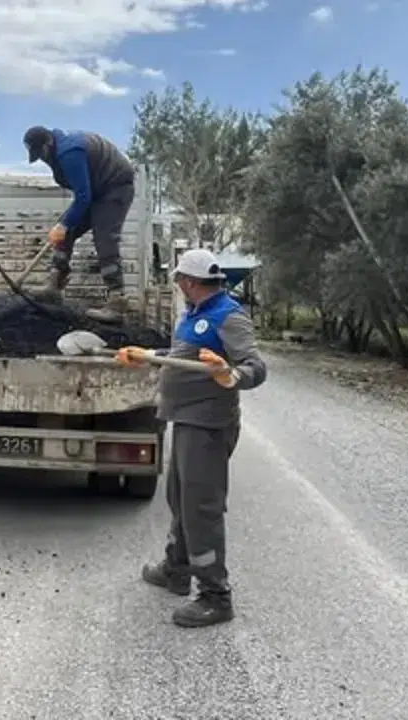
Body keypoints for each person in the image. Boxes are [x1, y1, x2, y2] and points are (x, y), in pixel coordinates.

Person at [114, 248, 267, 628]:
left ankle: (216, 595)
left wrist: (227, 375)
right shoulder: (195, 314)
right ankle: (176, 569)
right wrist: (147, 354)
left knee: (201, 507)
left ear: (190, 281)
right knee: (178, 497)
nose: (179, 284)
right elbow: (181, 355)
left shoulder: (229, 316)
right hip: (185, 420)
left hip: (208, 426)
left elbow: (255, 367)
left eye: (180, 279)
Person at [23, 125, 137, 322]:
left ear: (47, 143)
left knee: (104, 239)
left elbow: (83, 197)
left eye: (40, 153)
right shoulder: (55, 149)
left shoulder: (69, 153)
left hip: (115, 187)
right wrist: (64, 225)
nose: (41, 158)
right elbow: (83, 195)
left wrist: (64, 225)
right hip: (97, 189)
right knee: (64, 229)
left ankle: (117, 303)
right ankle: (54, 286)